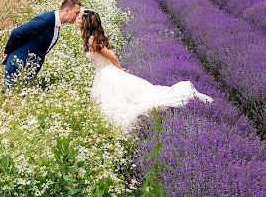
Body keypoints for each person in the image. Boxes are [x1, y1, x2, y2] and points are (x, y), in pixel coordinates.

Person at [77, 10, 212, 130]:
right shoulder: (91, 39)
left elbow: (113, 57)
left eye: (79, 18)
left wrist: (120, 72)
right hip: (104, 73)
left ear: (87, 23)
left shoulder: (92, 40)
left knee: (123, 102)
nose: (76, 20)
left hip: (108, 74)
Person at [3, 0, 82, 87]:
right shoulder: (46, 20)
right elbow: (16, 33)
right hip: (19, 63)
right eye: (76, 13)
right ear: (67, 10)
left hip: (31, 66)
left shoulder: (56, 24)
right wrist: (7, 52)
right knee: (10, 93)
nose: (77, 16)